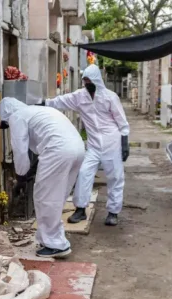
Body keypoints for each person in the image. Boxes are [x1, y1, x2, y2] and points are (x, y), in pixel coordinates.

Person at [42, 64, 130, 227]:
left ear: (97, 80)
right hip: (94, 145)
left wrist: (125, 143)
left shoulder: (110, 97)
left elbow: (122, 122)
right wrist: (43, 103)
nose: (87, 83)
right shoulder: (79, 97)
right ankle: (81, 209)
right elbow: (61, 101)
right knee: (83, 173)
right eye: (85, 81)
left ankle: (113, 212)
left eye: (90, 80)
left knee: (115, 177)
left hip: (112, 143)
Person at [0, 98, 85, 259]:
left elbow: (20, 149)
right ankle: (52, 237)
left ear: (7, 115)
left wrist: (21, 176)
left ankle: (55, 244)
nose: (9, 126)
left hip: (58, 151)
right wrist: (27, 174)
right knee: (57, 197)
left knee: (44, 197)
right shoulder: (37, 111)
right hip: (78, 148)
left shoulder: (17, 116)